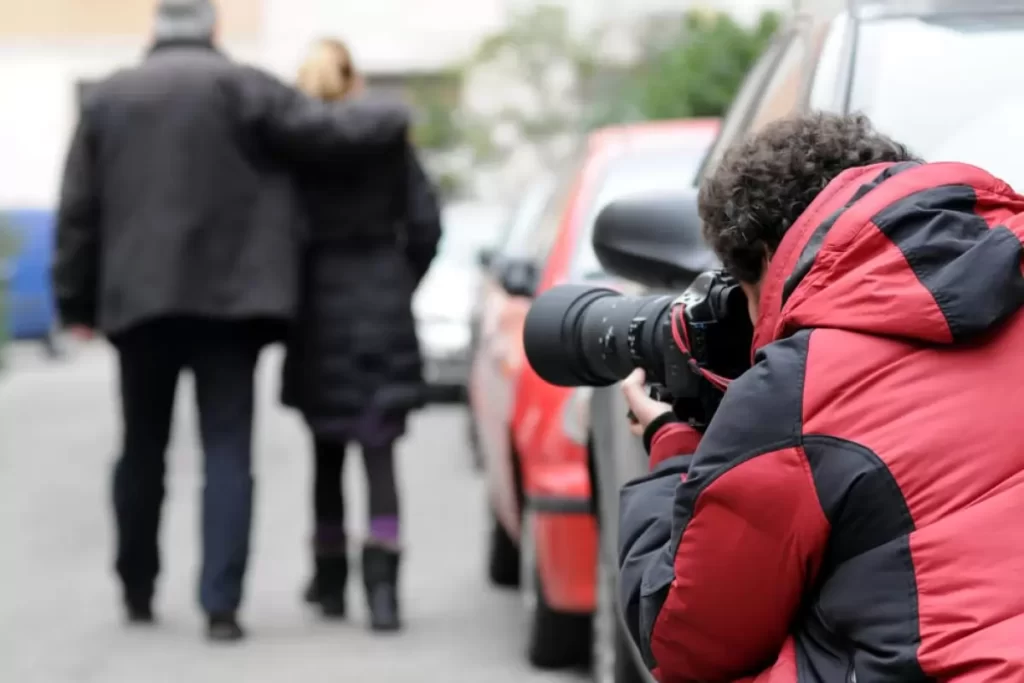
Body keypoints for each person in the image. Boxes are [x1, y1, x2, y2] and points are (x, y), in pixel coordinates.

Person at [618, 112, 1024, 682]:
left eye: (744, 293)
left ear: (765, 256)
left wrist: (675, 454)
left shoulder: (800, 385)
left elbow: (686, 641)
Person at [51, 0, 409, 643]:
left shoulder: (108, 98)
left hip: (139, 305)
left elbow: (78, 209)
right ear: (214, 29)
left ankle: (137, 587)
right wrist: (397, 113)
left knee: (141, 448)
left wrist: (75, 302)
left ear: (154, 30)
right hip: (231, 307)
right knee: (226, 450)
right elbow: (333, 133)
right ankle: (221, 607)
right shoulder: (245, 88)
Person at [281, 38, 442, 632]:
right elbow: (425, 224)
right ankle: (383, 594)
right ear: (354, 82)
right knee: (379, 454)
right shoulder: (389, 144)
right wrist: (400, 281)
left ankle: (328, 586)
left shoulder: (294, 152)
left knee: (325, 453)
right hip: (381, 303)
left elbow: (278, 232)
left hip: (315, 310)